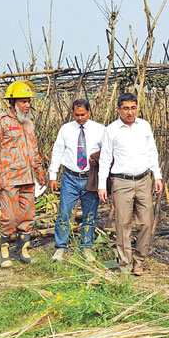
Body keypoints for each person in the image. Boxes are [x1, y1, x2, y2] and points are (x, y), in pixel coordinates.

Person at [98, 93, 164, 276]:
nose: (130, 112)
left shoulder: (144, 126)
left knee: (145, 223)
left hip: (143, 180)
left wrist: (157, 176)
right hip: (121, 182)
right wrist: (102, 185)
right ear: (118, 109)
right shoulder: (111, 130)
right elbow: (105, 159)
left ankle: (139, 260)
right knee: (123, 224)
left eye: (133, 108)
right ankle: (124, 264)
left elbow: (152, 152)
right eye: (126, 108)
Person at [0, 81, 46, 268]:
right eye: (23, 102)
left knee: (28, 215)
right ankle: (4, 249)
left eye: (28, 101)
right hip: (9, 178)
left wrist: (39, 171)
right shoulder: (0, 121)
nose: (27, 105)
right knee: (10, 216)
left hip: (28, 178)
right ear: (12, 102)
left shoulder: (29, 123)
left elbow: (33, 149)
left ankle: (23, 249)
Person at [48, 99, 104, 262]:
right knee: (64, 212)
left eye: (83, 115)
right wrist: (53, 175)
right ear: (73, 113)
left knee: (90, 213)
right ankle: (60, 247)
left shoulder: (99, 129)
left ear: (89, 112)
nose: (80, 118)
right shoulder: (66, 129)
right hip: (70, 177)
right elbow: (57, 151)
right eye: (77, 115)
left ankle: (86, 247)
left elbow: (107, 151)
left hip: (90, 178)